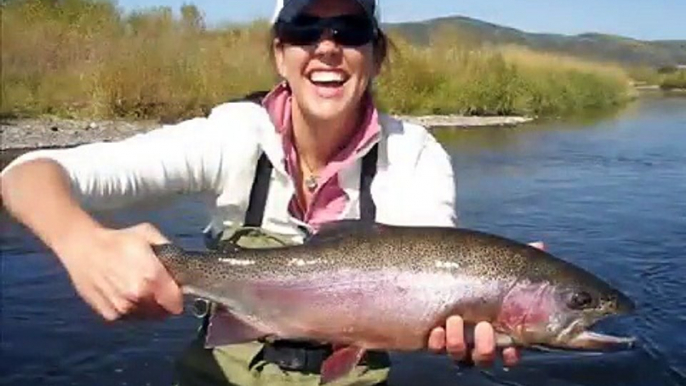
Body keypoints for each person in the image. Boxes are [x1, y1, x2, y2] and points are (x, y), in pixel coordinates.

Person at [0, 0, 527, 385]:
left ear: (376, 55)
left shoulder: (414, 154)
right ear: (280, 55)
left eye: (349, 29)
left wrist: (481, 302)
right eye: (305, 29)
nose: (327, 47)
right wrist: (81, 241)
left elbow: (435, 261)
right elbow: (24, 174)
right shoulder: (232, 134)